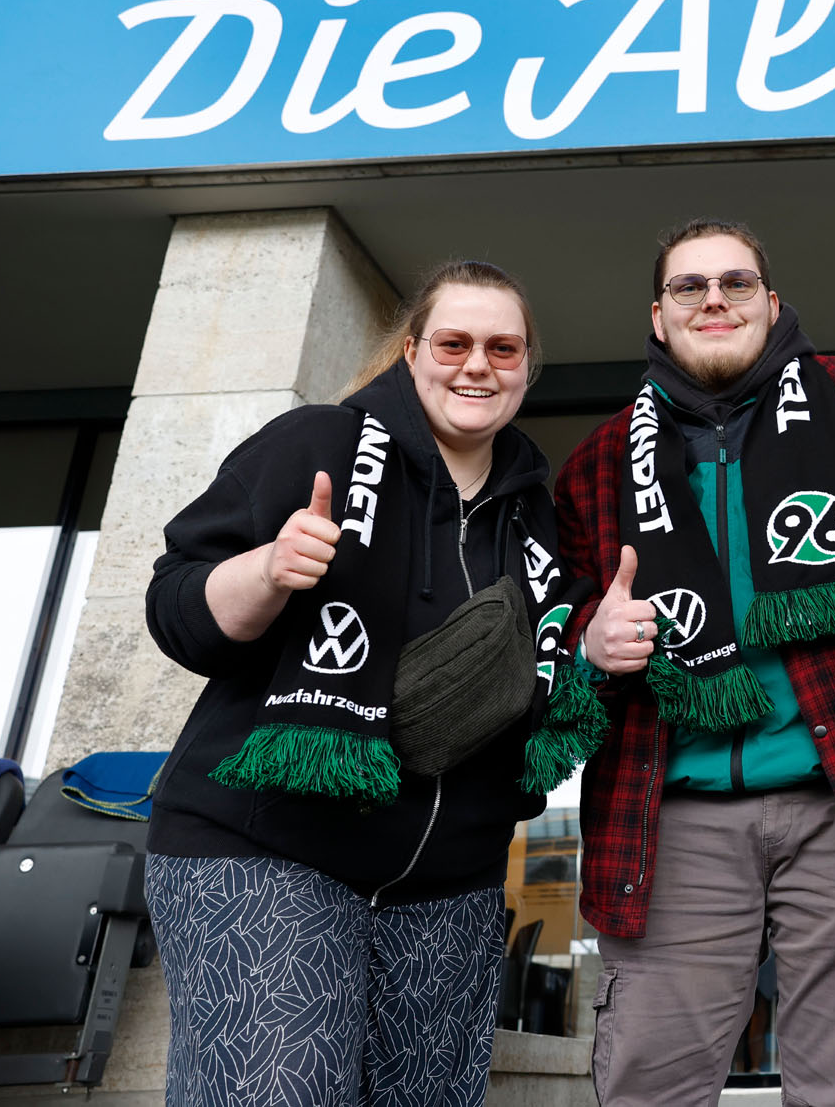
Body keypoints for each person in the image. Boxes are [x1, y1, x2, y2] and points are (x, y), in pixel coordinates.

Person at [143, 260, 602, 1107]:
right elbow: (176, 605)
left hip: (448, 879)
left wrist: (592, 646)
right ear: (413, 349)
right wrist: (269, 569)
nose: (478, 365)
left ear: (527, 367)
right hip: (267, 847)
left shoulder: (538, 513)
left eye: (504, 349)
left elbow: (540, 677)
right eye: (455, 342)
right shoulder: (317, 442)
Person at [555, 219, 835, 1107]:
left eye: (736, 282)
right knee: (650, 1089)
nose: (714, 299)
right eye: (689, 287)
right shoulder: (600, 464)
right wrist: (589, 646)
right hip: (671, 820)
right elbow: (552, 638)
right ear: (659, 317)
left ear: (772, 303)